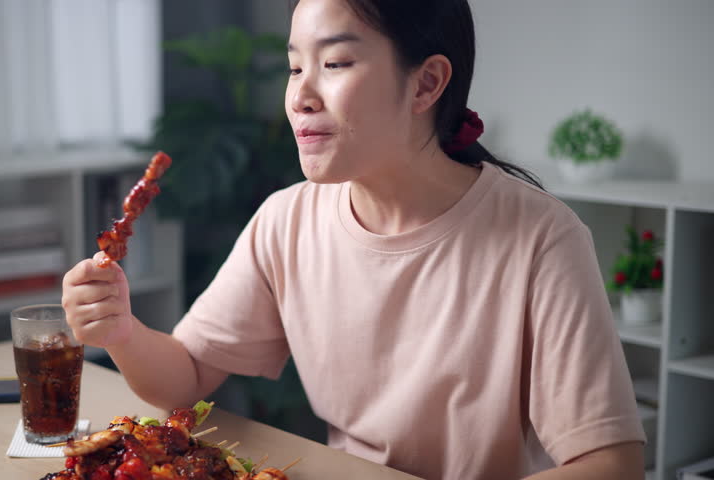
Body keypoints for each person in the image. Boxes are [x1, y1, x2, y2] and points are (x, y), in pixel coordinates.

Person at [61, 0, 646, 478]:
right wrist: (122, 331)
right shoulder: (285, 222)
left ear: (426, 84)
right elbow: (187, 376)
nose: (299, 97)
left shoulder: (542, 238)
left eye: (335, 63)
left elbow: (611, 464)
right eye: (295, 67)